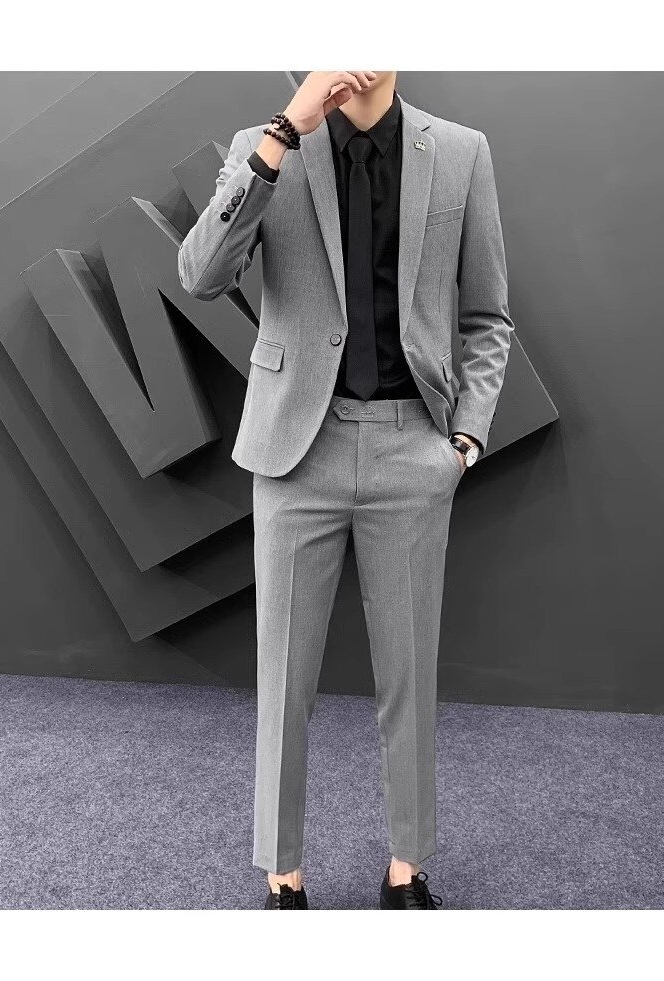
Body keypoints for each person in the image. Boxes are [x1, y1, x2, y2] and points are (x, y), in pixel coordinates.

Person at [178, 70, 513, 910]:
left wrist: (465, 438)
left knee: (409, 676)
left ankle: (408, 866)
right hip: (296, 451)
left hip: (413, 448)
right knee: (284, 678)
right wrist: (282, 134)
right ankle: (282, 872)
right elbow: (201, 274)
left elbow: (488, 316)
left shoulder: (461, 152)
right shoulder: (266, 146)